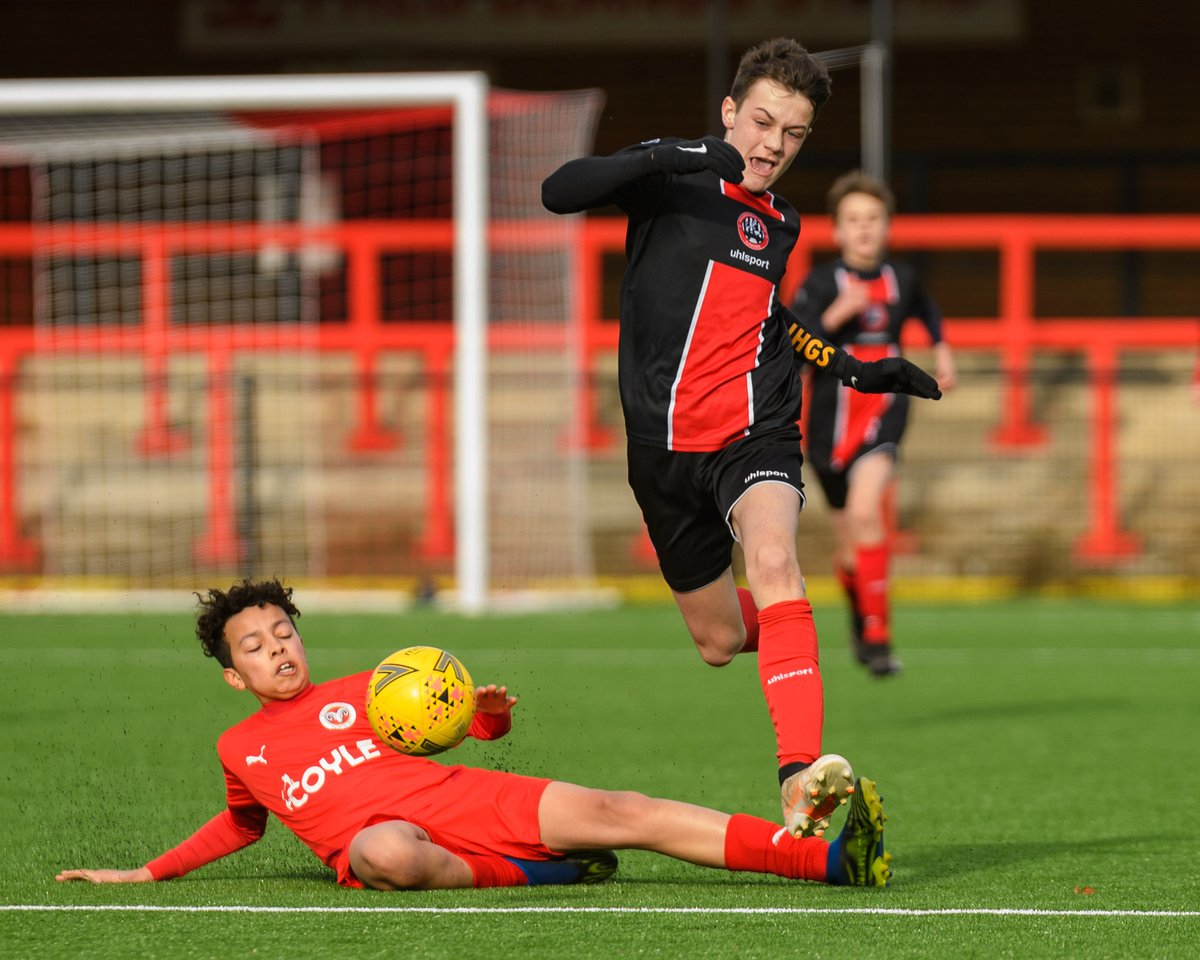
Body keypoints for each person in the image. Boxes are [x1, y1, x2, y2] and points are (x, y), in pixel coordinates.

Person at [541, 37, 941, 836]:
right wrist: (670, 153)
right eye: (762, 123)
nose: (773, 145)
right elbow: (560, 191)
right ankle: (795, 633)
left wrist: (853, 369)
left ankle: (799, 778)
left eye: (793, 134)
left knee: (775, 561)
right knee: (720, 639)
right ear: (729, 112)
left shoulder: (781, 223)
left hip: (754, 432)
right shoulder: (673, 178)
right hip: (661, 453)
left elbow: (769, 317)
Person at [55, 578, 892, 891]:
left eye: (284, 633)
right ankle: (539, 874)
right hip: (389, 843)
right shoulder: (241, 749)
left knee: (626, 809)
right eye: (255, 646)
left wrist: (488, 712)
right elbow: (242, 824)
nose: (277, 649)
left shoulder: (374, 687)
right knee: (384, 852)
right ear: (234, 677)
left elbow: (464, 732)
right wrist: (146, 871)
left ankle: (826, 859)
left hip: (466, 799)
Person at [791, 171, 958, 677]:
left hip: (884, 409)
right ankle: (861, 623)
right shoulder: (821, 285)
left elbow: (929, 311)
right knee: (849, 545)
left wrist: (942, 350)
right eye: (853, 219)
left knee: (867, 513)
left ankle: (880, 636)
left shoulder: (902, 278)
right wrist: (835, 315)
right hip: (828, 422)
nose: (864, 228)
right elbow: (792, 345)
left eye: (873, 218)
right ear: (837, 230)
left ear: (887, 225)